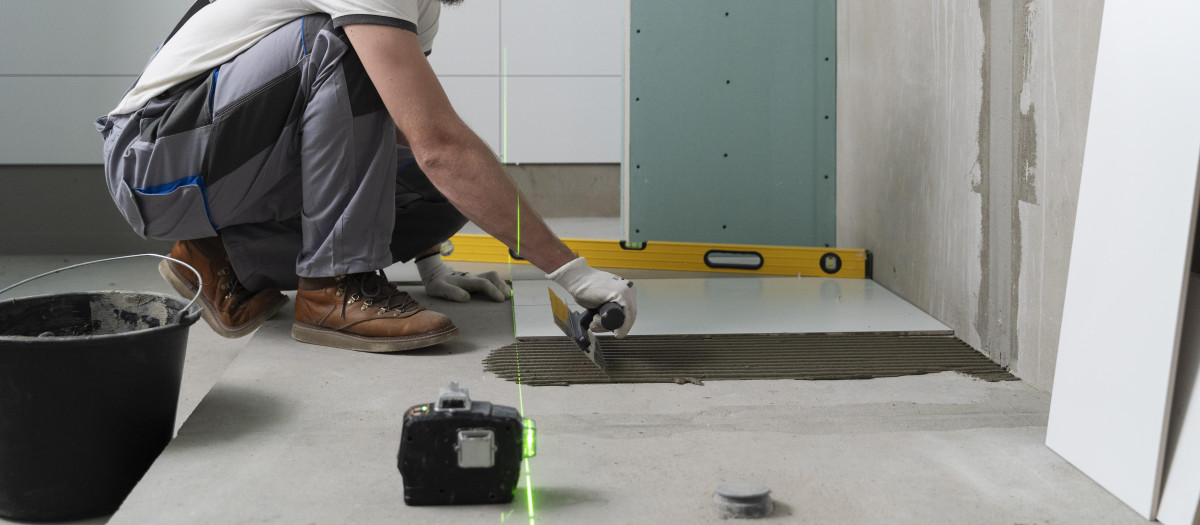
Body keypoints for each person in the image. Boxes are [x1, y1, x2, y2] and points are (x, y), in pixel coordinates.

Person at [95, 0, 637, 352]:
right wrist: (573, 274)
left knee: (441, 193)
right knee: (341, 46)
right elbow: (438, 145)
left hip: (227, 161)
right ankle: (333, 288)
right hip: (155, 159)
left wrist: (429, 259)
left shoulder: (416, 5)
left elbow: (390, 126)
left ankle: (224, 257)